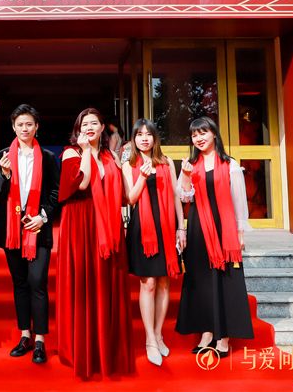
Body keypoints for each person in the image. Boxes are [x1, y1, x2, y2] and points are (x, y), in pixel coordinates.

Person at [56, 107, 135, 379]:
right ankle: (83, 349)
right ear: (78, 129)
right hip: (81, 223)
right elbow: (82, 183)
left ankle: (108, 347)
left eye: (94, 123)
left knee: (106, 282)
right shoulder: (72, 153)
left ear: (103, 128)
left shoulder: (110, 156)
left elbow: (123, 193)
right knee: (84, 283)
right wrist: (86, 151)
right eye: (84, 124)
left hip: (108, 224)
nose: (89, 127)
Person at [175, 116, 254, 357]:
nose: (199, 138)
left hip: (224, 228)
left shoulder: (229, 165)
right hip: (199, 227)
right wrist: (186, 175)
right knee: (201, 281)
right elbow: (184, 197)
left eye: (203, 133)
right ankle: (207, 333)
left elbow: (239, 201)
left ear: (214, 134)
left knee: (224, 280)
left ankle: (224, 337)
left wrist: (240, 232)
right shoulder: (190, 164)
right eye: (194, 135)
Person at [0, 104, 60, 364]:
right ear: (13, 127)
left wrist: (42, 217)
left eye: (29, 124)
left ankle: (40, 339)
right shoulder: (3, 156)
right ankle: (25, 335)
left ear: (36, 127)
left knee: (37, 281)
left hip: (38, 226)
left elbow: (55, 193)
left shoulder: (48, 157)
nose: (25, 128)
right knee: (20, 283)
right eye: (20, 124)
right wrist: (4, 174)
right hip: (13, 228)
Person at [122, 118, 185, 367]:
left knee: (164, 282)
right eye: (139, 135)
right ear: (134, 139)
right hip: (143, 228)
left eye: (148, 134)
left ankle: (158, 334)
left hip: (167, 225)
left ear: (155, 138)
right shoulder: (128, 164)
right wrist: (142, 176)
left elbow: (176, 196)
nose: (144, 138)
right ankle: (149, 339)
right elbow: (129, 198)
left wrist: (181, 227)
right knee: (148, 283)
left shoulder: (166, 162)